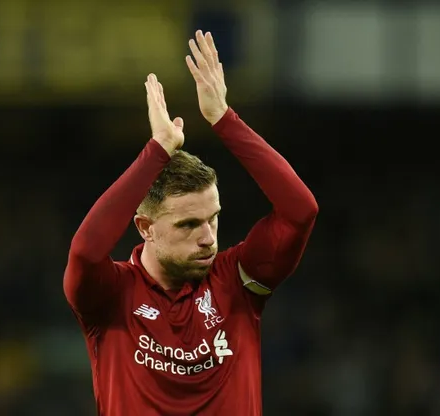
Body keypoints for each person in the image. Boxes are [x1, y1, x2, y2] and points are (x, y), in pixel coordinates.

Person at [63, 30, 318, 416]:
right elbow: (84, 252)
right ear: (145, 227)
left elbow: (301, 211)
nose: (207, 238)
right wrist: (157, 150)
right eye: (188, 225)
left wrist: (224, 119)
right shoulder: (110, 295)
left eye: (213, 219)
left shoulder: (238, 280)